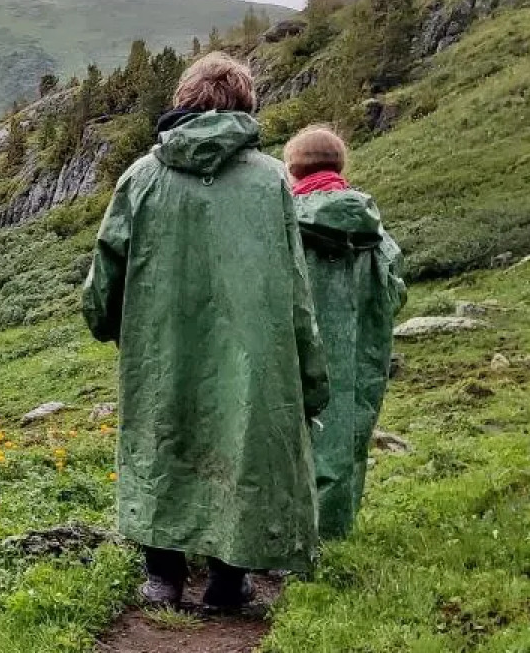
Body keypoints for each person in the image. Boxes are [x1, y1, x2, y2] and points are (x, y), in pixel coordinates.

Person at [82, 53, 329, 612]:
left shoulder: (141, 178)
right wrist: (311, 370)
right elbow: (294, 284)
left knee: (162, 437)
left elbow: (107, 267)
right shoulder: (271, 182)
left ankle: (162, 578)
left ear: (182, 101)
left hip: (158, 344)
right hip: (252, 351)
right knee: (237, 445)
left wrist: (106, 320)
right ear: (245, 104)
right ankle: (227, 582)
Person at [284, 125, 406, 539]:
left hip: (293, 353)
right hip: (359, 357)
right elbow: (395, 291)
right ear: (340, 166)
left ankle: (286, 540)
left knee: (288, 442)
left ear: (292, 169)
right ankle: (333, 539)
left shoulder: (285, 222)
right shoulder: (374, 230)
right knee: (345, 441)